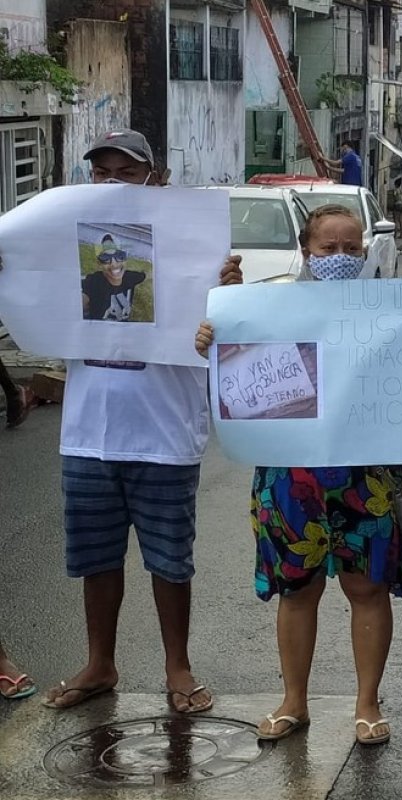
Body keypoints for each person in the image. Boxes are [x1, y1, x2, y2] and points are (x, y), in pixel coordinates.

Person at [195, 204, 402, 745]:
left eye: (351, 248)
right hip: (292, 474)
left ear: (365, 252)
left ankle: (367, 704)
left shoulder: (393, 311)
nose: (340, 258)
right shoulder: (271, 308)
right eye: (328, 248)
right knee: (297, 592)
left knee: (369, 590)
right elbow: (240, 382)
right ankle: (294, 700)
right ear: (307, 251)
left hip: (369, 476)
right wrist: (212, 340)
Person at [36, 130, 243, 714]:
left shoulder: (190, 244)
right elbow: (29, 281)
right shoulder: (68, 242)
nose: (109, 183)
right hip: (86, 432)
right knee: (95, 559)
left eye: (123, 173)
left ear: (155, 179)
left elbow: (228, 330)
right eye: (100, 173)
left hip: (165, 432)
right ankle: (100, 663)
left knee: (170, 560)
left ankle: (178, 667)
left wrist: (229, 292)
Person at [81, 234, 147, 322]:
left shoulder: (130, 277)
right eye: (105, 258)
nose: (114, 264)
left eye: (119, 256)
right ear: (98, 264)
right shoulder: (93, 281)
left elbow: (145, 274)